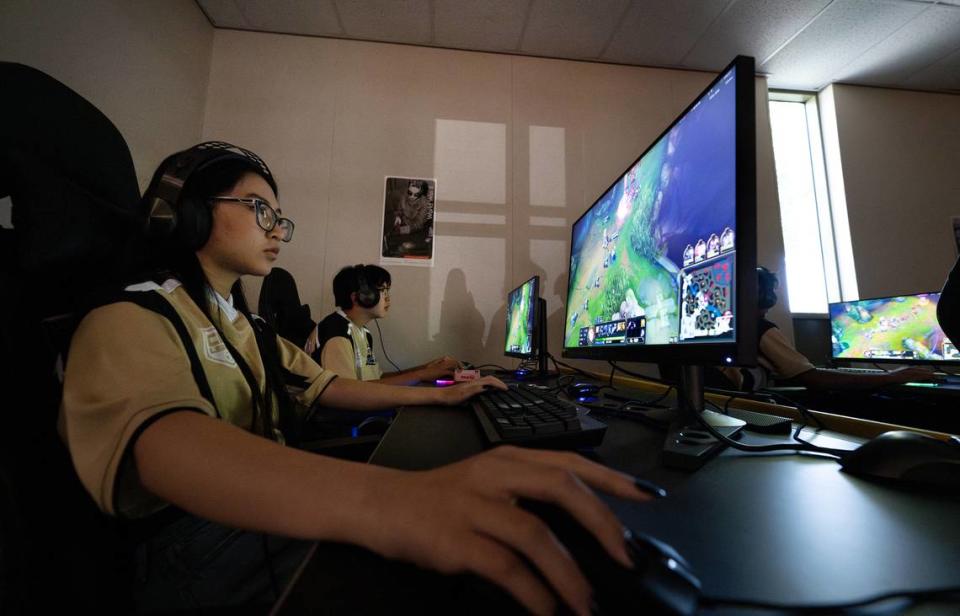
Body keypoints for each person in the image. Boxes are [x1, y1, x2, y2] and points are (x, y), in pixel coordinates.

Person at [58, 142, 653, 615]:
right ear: (190, 213)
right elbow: (166, 446)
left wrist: (445, 396)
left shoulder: (249, 326)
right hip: (186, 545)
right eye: (259, 208)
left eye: (278, 217)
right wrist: (391, 501)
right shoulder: (133, 314)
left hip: (247, 512)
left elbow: (329, 388)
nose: (276, 228)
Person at [720, 266, 935, 391]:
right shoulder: (761, 329)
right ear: (765, 296)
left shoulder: (725, 326)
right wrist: (892, 377)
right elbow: (812, 378)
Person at [305, 263, 459, 384]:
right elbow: (347, 394)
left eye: (388, 291)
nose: (387, 298)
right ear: (358, 297)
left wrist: (426, 369)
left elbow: (377, 380)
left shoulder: (363, 333)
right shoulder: (337, 335)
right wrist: (421, 375)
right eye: (382, 290)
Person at [384, 179, 433, 257]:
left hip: (418, 231)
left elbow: (418, 225)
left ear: (421, 195)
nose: (411, 196)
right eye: (410, 193)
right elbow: (399, 211)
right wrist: (397, 217)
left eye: (416, 195)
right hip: (403, 226)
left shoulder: (425, 204)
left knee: (402, 247)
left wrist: (401, 230)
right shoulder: (404, 195)